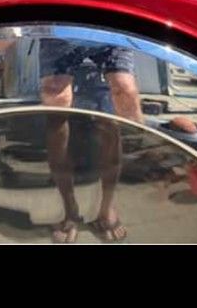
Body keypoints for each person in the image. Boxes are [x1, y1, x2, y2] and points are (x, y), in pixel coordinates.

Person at [38, 38, 144, 244]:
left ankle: (106, 207)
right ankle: (70, 210)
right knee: (56, 94)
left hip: (108, 26)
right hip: (62, 24)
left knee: (125, 91)